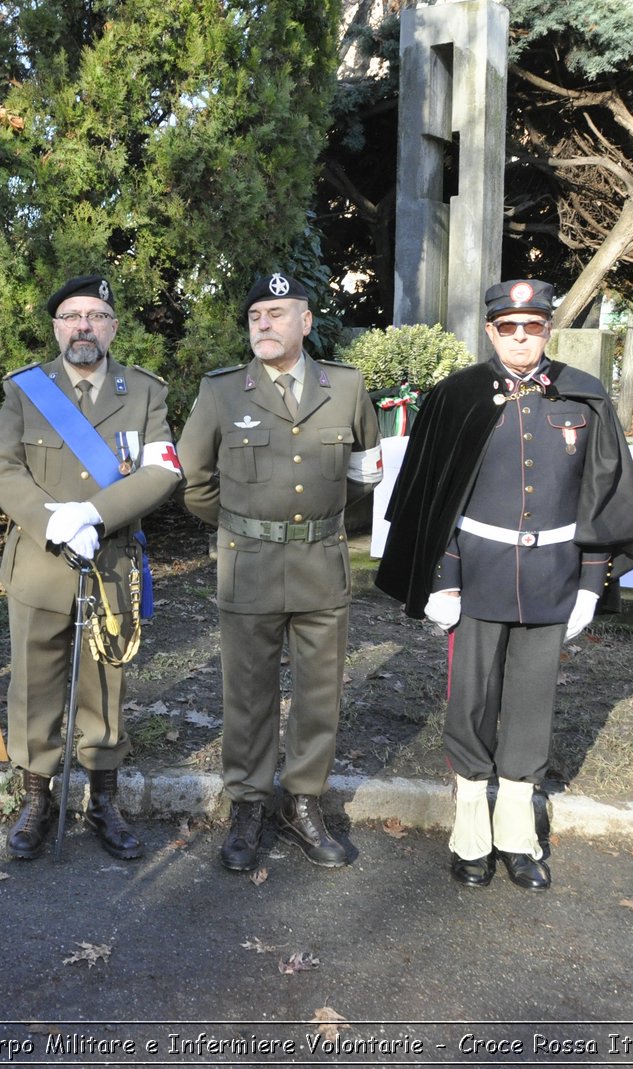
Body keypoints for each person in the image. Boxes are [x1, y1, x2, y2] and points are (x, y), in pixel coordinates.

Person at [376, 279, 633, 890]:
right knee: (471, 700)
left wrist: (588, 584)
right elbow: (437, 498)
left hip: (553, 579)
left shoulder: (585, 395)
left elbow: (603, 495)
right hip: (478, 577)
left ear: (548, 330)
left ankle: (517, 833)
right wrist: (442, 581)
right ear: (491, 331)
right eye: (508, 328)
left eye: (533, 327)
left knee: (532, 703)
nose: (521, 338)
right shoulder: (458, 397)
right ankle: (471, 829)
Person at [177, 272, 381, 873]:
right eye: (255, 316)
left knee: (320, 694)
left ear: (306, 321)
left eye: (276, 313)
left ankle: (303, 803)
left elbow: (365, 475)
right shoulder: (222, 392)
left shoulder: (345, 388)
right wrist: (247, 526)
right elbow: (194, 481)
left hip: (322, 563)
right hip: (250, 566)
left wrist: (320, 521)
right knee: (247, 694)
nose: (263, 324)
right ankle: (247, 803)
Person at [0, 274, 182, 861]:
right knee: (33, 684)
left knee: (105, 685)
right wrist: (55, 521)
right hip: (42, 561)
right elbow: (2, 467)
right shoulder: (25, 390)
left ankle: (103, 799)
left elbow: (162, 470)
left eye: (96, 316)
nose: (83, 327)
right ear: (56, 327)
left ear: (113, 327)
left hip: (112, 562)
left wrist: (92, 516)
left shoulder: (144, 392)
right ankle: (36, 799)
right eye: (72, 316)